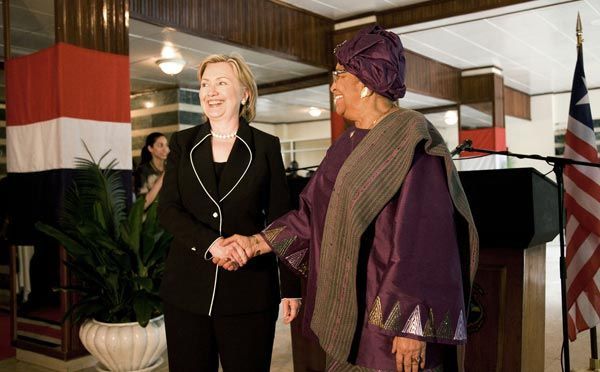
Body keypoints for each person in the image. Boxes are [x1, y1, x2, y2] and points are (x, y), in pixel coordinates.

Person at [219, 25, 479, 372]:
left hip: (391, 318)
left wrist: (411, 326)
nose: (333, 85)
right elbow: (311, 214)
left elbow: (425, 240)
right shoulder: (348, 142)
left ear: (367, 81)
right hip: (350, 309)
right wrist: (254, 244)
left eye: (340, 74)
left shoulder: (413, 139)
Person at [157, 54, 301, 372]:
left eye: (222, 83)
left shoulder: (265, 146)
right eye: (205, 84)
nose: (211, 92)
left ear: (245, 93)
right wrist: (212, 244)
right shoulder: (182, 144)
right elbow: (167, 209)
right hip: (187, 291)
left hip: (249, 291)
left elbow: (283, 220)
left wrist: (292, 288)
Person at [134, 132, 169, 209]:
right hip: (151, 218)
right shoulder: (142, 171)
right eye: (160, 145)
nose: (165, 149)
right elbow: (143, 205)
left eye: (166, 145)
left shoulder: (173, 168)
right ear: (150, 148)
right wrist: (164, 174)